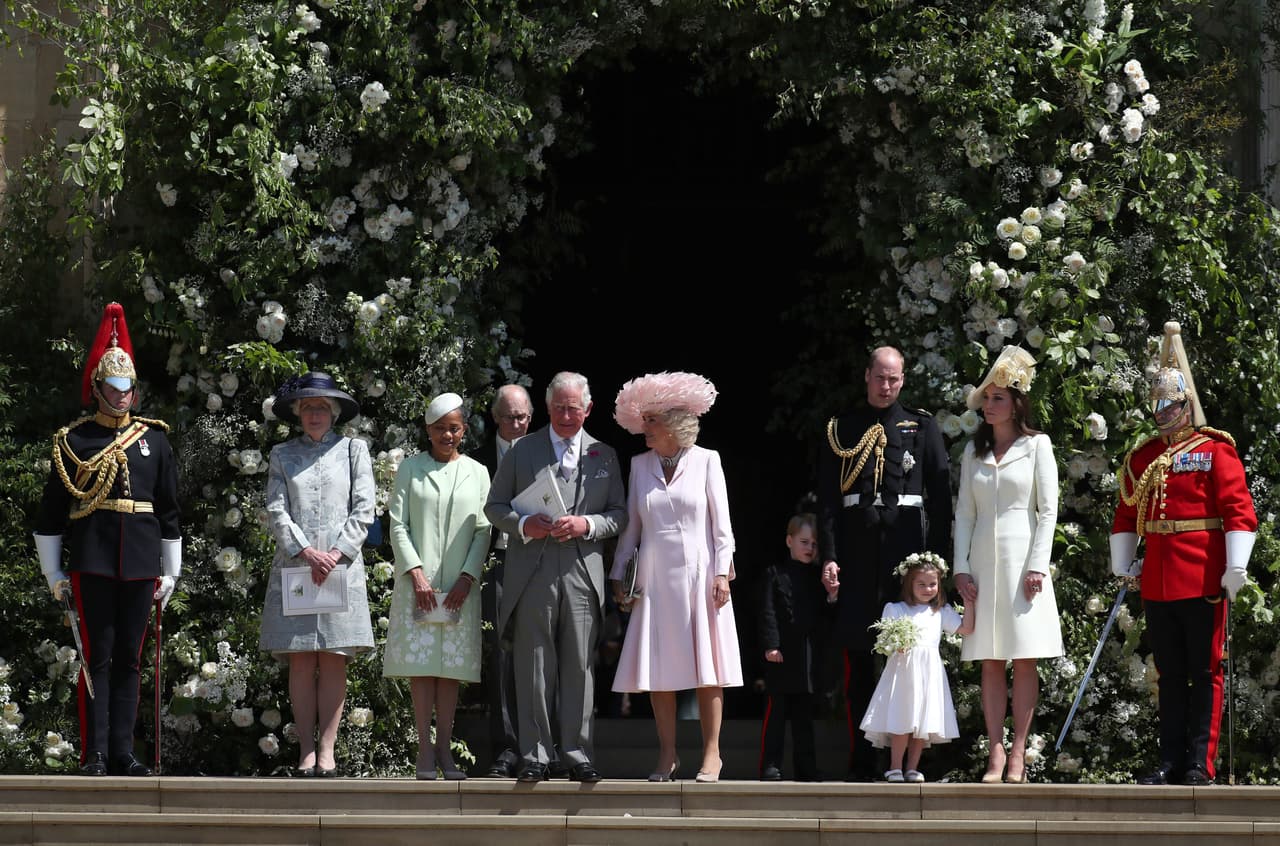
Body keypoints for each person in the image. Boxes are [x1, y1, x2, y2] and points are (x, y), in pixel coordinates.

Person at [34, 302, 182, 776]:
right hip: (94, 557)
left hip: (141, 561)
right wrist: (53, 571)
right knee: (96, 657)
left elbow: (169, 510)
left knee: (131, 661)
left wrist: (171, 568)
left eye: (128, 388)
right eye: (114, 387)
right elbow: (52, 514)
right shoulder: (75, 442)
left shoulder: (154, 441)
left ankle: (123, 751)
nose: (123, 396)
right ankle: (94, 752)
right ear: (98, 388)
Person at [1110, 322, 1257, 786]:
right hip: (1157, 577)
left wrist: (1236, 564)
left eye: (1168, 404)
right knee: (1168, 675)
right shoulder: (1144, 456)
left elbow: (1238, 510)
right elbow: (1126, 511)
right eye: (1155, 404)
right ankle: (1170, 760)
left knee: (1205, 670)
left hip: (1202, 575)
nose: (1160, 412)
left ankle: (1200, 763)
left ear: (1185, 404)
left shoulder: (1215, 450)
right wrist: (1122, 561)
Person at [484, 371, 626, 783]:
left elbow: (620, 514)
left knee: (580, 664)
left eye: (574, 408)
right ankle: (535, 754)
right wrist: (526, 524)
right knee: (533, 663)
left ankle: (577, 752)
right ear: (547, 408)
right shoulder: (521, 450)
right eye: (559, 407)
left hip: (583, 569)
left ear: (588, 409)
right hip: (532, 569)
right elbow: (494, 506)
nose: (566, 415)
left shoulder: (604, 454)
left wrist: (587, 525)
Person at [818, 346, 952, 781]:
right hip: (857, 554)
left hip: (906, 555)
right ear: (867, 376)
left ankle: (908, 760)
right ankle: (862, 758)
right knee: (858, 658)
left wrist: (936, 562)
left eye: (894, 379)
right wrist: (831, 555)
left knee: (910, 659)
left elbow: (940, 497)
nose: (887, 386)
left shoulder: (923, 426)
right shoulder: (842, 427)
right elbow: (828, 501)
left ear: (903, 379)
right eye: (880, 377)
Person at [609, 371, 740, 784]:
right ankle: (667, 754)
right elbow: (632, 527)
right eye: (642, 420)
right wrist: (619, 577)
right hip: (654, 578)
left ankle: (712, 754)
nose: (642, 428)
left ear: (673, 424)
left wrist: (723, 573)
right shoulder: (639, 464)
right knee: (658, 670)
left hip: (701, 576)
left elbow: (723, 527)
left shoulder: (707, 460)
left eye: (650, 421)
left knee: (708, 667)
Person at [952, 345, 1061, 784]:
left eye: (998, 398)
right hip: (982, 562)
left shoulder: (1038, 446)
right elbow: (964, 513)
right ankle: (995, 751)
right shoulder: (972, 453)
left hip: (1023, 564)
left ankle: (1018, 752)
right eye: (986, 399)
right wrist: (960, 566)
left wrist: (1038, 564)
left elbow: (1048, 509)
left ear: (1017, 402)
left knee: (1024, 657)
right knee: (989, 660)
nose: (989, 405)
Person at [258, 372, 376, 777]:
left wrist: (336, 553)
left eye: (322, 407)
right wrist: (307, 552)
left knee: (335, 656)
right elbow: (276, 509)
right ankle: (305, 750)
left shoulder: (354, 450)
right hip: (297, 566)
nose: (314, 414)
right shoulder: (282, 454)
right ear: (296, 411)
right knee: (302, 660)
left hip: (340, 567)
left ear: (335, 412)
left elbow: (364, 508)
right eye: (307, 407)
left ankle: (327, 750)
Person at [384, 392, 492, 780]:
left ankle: (446, 751)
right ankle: (424, 751)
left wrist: (467, 576)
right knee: (422, 668)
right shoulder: (410, 469)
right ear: (428, 430)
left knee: (450, 672)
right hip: (419, 585)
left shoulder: (478, 472)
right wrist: (414, 573)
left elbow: (483, 528)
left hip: (461, 586)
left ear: (463, 429)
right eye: (439, 428)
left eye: (454, 427)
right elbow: (398, 523)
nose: (447, 434)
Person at [858, 552, 975, 783]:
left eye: (932, 584)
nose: (927, 588)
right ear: (908, 583)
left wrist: (969, 603)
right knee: (902, 719)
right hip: (903, 671)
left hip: (928, 673)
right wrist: (896, 646)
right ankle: (894, 767)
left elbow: (966, 629)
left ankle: (912, 768)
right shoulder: (896, 608)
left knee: (923, 720)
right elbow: (884, 639)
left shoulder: (940, 611)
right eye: (921, 584)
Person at [473, 384, 534, 778]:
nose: (517, 424)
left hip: (539, 561)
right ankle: (507, 748)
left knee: (542, 653)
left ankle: (545, 748)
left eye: (524, 417)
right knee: (501, 655)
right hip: (494, 562)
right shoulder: (476, 461)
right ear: (495, 417)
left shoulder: (545, 455)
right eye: (510, 417)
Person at [758, 513, 829, 782]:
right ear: (789, 541)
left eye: (814, 543)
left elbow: (824, 615)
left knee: (804, 717)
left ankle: (806, 768)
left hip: (806, 657)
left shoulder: (817, 577)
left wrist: (832, 595)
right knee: (775, 715)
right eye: (804, 542)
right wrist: (771, 646)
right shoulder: (774, 574)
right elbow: (767, 612)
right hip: (780, 655)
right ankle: (770, 765)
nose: (809, 548)